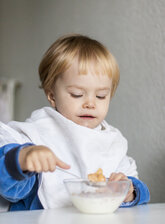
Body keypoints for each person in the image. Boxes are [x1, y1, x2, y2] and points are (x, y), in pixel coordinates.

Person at [0, 34, 150, 211]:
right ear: (52, 95)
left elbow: (140, 191)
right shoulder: (35, 135)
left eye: (101, 96)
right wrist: (23, 160)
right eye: (77, 94)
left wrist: (128, 191)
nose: (90, 103)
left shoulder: (112, 142)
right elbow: (9, 189)